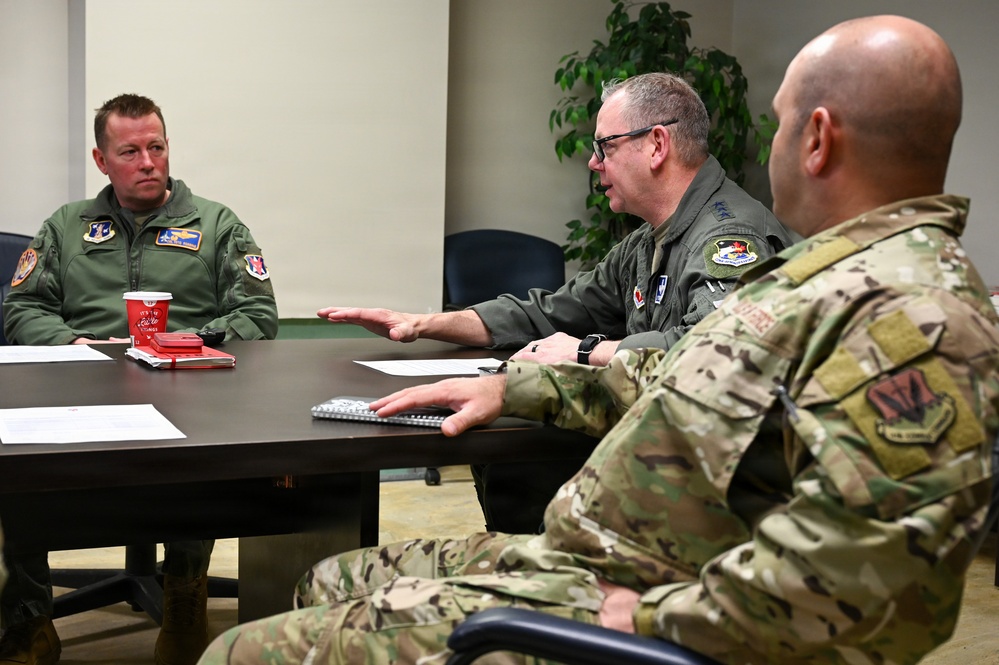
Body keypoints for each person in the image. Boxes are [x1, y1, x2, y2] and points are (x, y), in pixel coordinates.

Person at [197, 15, 998, 665]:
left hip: (634, 592)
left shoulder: (907, 320)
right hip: (598, 554)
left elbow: (875, 589)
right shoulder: (838, 278)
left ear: (817, 136)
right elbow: (679, 369)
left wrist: (653, 619)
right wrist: (512, 384)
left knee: (235, 652)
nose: (772, 144)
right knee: (323, 578)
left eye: (781, 123)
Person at [324, 72, 797, 534]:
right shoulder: (649, 240)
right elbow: (552, 310)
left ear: (656, 145)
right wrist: (425, 323)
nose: (593, 163)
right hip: (659, 456)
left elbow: (716, 349)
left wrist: (585, 352)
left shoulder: (729, 238)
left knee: (525, 457)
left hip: (704, 493)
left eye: (604, 147)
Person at [0, 94, 278, 665]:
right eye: (130, 151)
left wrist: (181, 345)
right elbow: (23, 307)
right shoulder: (67, 226)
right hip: (77, 389)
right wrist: (73, 346)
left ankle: (183, 596)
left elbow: (256, 316)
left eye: (157, 147)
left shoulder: (216, 224)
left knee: (202, 459)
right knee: (13, 468)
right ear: (102, 160)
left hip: (186, 389)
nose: (148, 161)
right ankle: (29, 617)